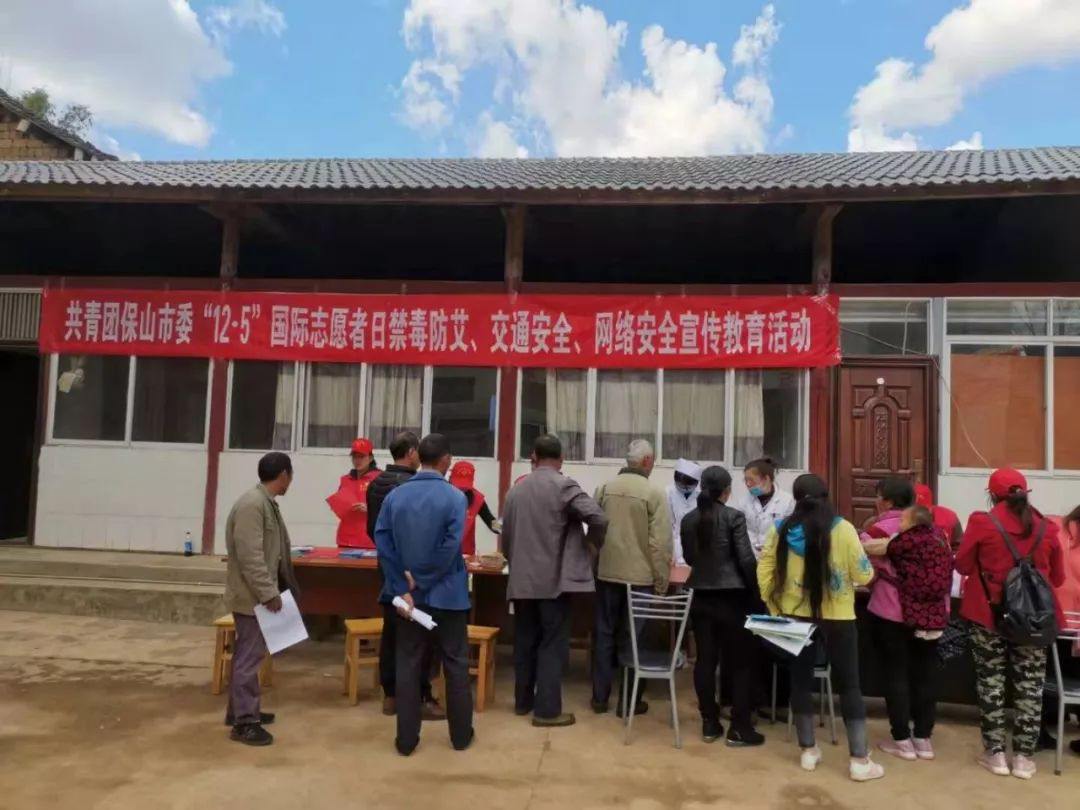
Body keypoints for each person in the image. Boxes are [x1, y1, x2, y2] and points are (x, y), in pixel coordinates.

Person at [757, 473, 883, 782]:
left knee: (800, 682)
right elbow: (864, 575)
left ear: (796, 498)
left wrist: (774, 607)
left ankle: (808, 751)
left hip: (793, 616)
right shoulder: (843, 529)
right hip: (838, 617)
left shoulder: (779, 530)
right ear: (825, 497)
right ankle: (859, 759)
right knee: (849, 685)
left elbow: (765, 571)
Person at [955, 468, 1065, 780]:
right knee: (1030, 686)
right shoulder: (1047, 527)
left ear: (992, 495)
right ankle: (1024, 759)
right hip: (1033, 620)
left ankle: (995, 755)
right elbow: (1058, 578)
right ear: (1026, 494)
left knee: (991, 682)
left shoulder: (982, 522)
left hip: (987, 615)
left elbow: (962, 564)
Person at [374, 433, 474, 756]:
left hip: (409, 601)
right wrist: (424, 580)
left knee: (408, 665)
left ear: (420, 457)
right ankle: (460, 736)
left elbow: (383, 542)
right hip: (449, 598)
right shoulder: (455, 498)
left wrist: (403, 587)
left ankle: (406, 740)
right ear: (446, 460)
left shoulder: (396, 496)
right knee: (455, 665)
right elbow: (450, 546)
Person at [503, 434, 608, 727]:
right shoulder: (564, 486)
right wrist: (591, 547)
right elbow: (599, 517)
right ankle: (547, 711)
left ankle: (523, 702)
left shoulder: (516, 491)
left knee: (525, 641)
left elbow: (506, 537)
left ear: (533, 457)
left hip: (522, 582)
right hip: (554, 583)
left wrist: (515, 561)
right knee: (551, 644)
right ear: (561, 460)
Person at [862, 477, 949, 761]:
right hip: (931, 614)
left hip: (890, 611)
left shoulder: (875, 530)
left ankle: (901, 739)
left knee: (895, 674)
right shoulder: (935, 531)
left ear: (886, 501)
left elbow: (866, 572)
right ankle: (923, 739)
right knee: (925, 674)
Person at [680, 465, 764, 747]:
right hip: (733, 599)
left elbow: (690, 559)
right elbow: (746, 560)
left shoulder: (689, 519)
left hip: (701, 597)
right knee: (740, 662)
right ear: (727, 491)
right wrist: (756, 595)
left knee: (705, 660)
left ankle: (709, 723)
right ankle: (739, 727)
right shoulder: (733, 517)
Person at [591, 439, 673, 717]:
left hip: (606, 575)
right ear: (647, 461)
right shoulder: (654, 494)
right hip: (640, 580)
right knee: (634, 639)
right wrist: (661, 584)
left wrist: (595, 567)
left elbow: (594, 533)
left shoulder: (604, 488)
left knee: (604, 635)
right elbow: (659, 545)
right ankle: (628, 702)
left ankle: (599, 698)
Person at [223, 452, 300, 747]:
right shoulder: (252, 505)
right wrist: (269, 593)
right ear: (283, 475)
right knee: (248, 658)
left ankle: (240, 711)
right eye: (290, 475)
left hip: (256, 595)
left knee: (248, 655)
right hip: (252, 597)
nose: (291, 481)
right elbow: (251, 557)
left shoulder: (264, 502)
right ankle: (245, 723)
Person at [365, 431, 443, 720]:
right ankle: (421, 696)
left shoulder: (375, 484)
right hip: (412, 574)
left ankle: (391, 696)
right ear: (411, 453)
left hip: (387, 569)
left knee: (391, 631)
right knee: (419, 636)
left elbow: (373, 530)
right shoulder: (412, 487)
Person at [736, 457, 795, 558]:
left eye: (751, 480)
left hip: (775, 555)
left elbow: (789, 532)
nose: (748, 484)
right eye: (745, 480)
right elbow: (740, 530)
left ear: (766, 479)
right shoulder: (743, 501)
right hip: (750, 555)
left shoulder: (787, 501)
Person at [326, 438, 380, 548]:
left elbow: (388, 507)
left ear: (370, 458)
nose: (357, 460)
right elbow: (340, 503)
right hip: (345, 539)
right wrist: (337, 506)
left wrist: (370, 509)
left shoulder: (379, 478)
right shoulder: (345, 480)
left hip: (369, 541)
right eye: (355, 457)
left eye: (361, 456)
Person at [448, 461, 500, 556]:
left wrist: (507, 527)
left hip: (465, 554)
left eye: (465, 486)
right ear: (450, 478)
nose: (461, 490)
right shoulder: (440, 494)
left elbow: (491, 522)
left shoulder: (477, 499)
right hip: (442, 553)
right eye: (458, 485)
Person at [666, 458, 702, 566]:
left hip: (698, 542)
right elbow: (669, 522)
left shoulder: (702, 493)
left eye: (688, 485)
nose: (684, 488)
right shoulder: (668, 492)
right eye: (681, 484)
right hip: (676, 542)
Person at [915, 484, 963, 551]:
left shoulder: (949, 517)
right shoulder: (902, 522)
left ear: (930, 507)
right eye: (914, 511)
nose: (919, 515)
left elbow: (959, 547)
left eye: (923, 511)